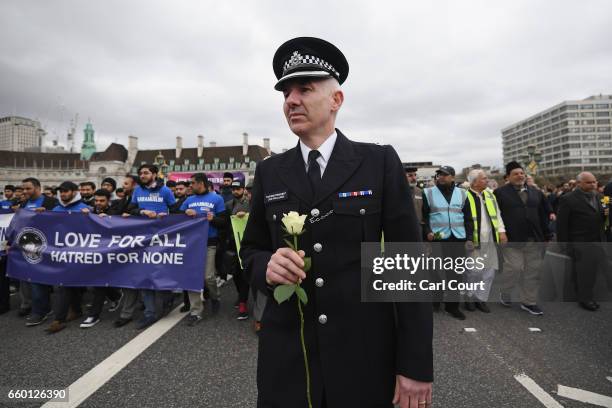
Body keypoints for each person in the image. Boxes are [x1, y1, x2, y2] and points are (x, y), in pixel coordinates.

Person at [240, 37, 432, 408]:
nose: (291, 100)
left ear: (336, 100)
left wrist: (415, 365)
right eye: (286, 93)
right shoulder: (269, 171)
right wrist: (266, 266)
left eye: (305, 89)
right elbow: (250, 251)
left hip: (363, 355)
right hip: (288, 357)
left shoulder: (378, 162)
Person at [118, 164, 176, 330]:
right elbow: (131, 208)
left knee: (160, 273)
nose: (142, 175)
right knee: (144, 275)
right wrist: (142, 212)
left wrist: (168, 215)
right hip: (141, 238)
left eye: (145, 173)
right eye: (140, 173)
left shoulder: (165, 191)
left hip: (161, 238)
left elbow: (175, 210)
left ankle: (167, 297)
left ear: (155, 174)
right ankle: (149, 313)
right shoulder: (137, 191)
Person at [494, 161, 552, 316]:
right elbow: (495, 216)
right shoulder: (499, 193)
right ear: (507, 177)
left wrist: (547, 234)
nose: (520, 176)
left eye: (522, 173)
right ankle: (505, 291)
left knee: (533, 271)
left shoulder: (536, 192)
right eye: (516, 174)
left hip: (534, 239)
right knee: (514, 268)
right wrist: (500, 233)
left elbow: (543, 215)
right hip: (512, 239)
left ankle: (529, 302)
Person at [43, 181, 90, 334]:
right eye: (61, 192)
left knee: (63, 285)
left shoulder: (85, 209)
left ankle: (59, 319)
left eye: (66, 191)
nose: (62, 194)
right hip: (61, 253)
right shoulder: (56, 208)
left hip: (78, 253)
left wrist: (90, 217)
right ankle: (74, 311)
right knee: (66, 284)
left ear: (75, 192)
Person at [556, 172, 608, 311]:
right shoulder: (567, 199)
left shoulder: (602, 198)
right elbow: (561, 225)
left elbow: (605, 219)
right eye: (588, 182)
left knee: (599, 270)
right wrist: (564, 246)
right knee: (585, 272)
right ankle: (585, 299)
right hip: (580, 242)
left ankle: (584, 294)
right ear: (579, 184)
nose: (593, 185)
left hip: (599, 241)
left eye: (594, 182)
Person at [422, 165, 468, 320]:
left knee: (456, 273)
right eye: (439, 174)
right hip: (437, 238)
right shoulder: (428, 193)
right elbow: (424, 217)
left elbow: (467, 217)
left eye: (445, 175)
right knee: (436, 272)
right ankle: (436, 299)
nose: (441, 177)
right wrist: (427, 231)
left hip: (458, 238)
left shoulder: (463, 193)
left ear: (453, 177)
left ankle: (452, 306)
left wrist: (470, 239)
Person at [181, 173, 226, 325]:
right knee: (191, 277)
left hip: (209, 242)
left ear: (201, 183)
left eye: (192, 183)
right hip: (191, 243)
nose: (190, 186)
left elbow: (224, 222)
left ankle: (215, 297)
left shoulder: (217, 199)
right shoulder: (189, 200)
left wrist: (212, 219)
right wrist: (185, 212)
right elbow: (177, 218)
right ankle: (196, 312)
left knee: (208, 277)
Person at [463, 169, 508, 313]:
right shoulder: (464, 196)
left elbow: (498, 215)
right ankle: (469, 296)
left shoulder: (490, 195)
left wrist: (502, 231)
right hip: (474, 240)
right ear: (474, 182)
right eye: (483, 178)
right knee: (474, 271)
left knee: (489, 272)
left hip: (490, 240)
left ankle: (480, 299)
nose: (487, 180)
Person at [80, 189, 123, 328]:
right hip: (94, 253)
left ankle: (93, 315)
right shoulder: (91, 212)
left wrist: (111, 219)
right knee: (95, 282)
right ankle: (116, 296)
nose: (98, 203)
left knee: (99, 282)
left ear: (108, 200)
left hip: (112, 253)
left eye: (102, 201)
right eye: (96, 200)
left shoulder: (115, 212)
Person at [18, 178, 57, 325]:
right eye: (23, 189)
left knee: (37, 280)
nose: (25, 191)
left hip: (45, 246)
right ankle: (39, 308)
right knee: (29, 279)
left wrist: (48, 213)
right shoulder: (23, 203)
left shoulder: (50, 202)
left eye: (28, 188)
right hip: (27, 245)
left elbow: (61, 220)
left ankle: (40, 312)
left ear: (38, 188)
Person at [224, 179, 251, 320]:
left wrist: (245, 215)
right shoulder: (228, 205)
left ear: (244, 189)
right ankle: (241, 295)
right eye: (233, 189)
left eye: (238, 189)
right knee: (235, 274)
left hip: (247, 244)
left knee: (243, 274)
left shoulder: (250, 204)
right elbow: (224, 223)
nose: (235, 191)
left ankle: (242, 302)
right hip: (233, 245)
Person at [405, 166, 424, 237]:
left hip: (418, 229)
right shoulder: (396, 191)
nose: (414, 178)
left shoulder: (420, 191)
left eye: (415, 175)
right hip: (402, 229)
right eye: (410, 175)